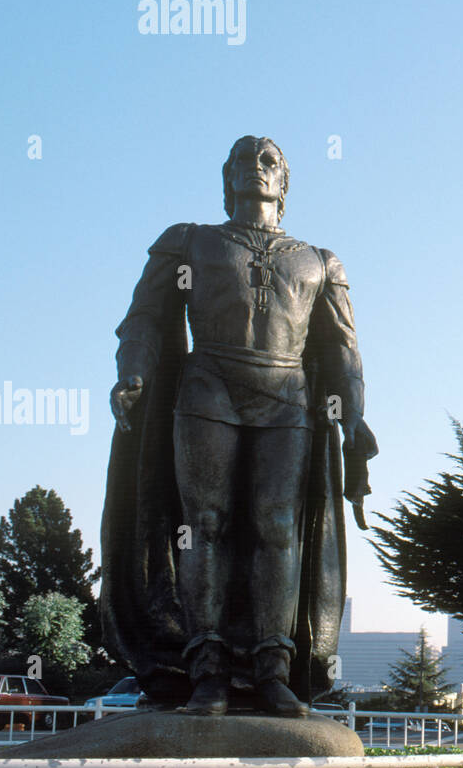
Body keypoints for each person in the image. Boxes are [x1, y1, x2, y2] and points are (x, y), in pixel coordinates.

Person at [103, 136, 378, 717]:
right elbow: (145, 319)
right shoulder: (189, 241)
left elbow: (343, 353)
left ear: (285, 182)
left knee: (277, 525)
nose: (256, 167)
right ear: (226, 177)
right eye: (243, 161)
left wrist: (352, 425)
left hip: (287, 399)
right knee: (205, 524)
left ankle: (272, 669)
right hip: (209, 388)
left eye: (269, 161)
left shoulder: (321, 261)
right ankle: (207, 669)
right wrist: (133, 373)